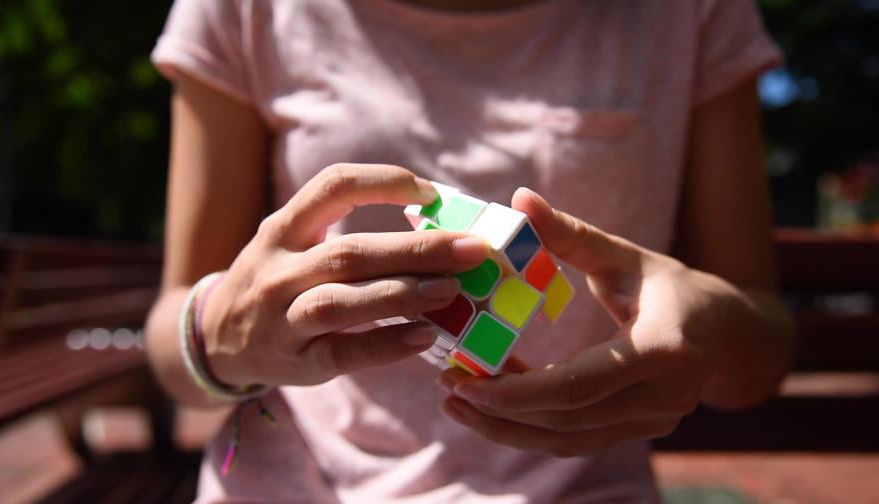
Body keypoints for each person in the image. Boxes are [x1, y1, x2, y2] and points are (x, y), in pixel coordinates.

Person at [145, 0, 796, 501]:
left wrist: (708, 327)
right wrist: (217, 332)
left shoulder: (689, 13)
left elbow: (762, 347)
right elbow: (172, 338)